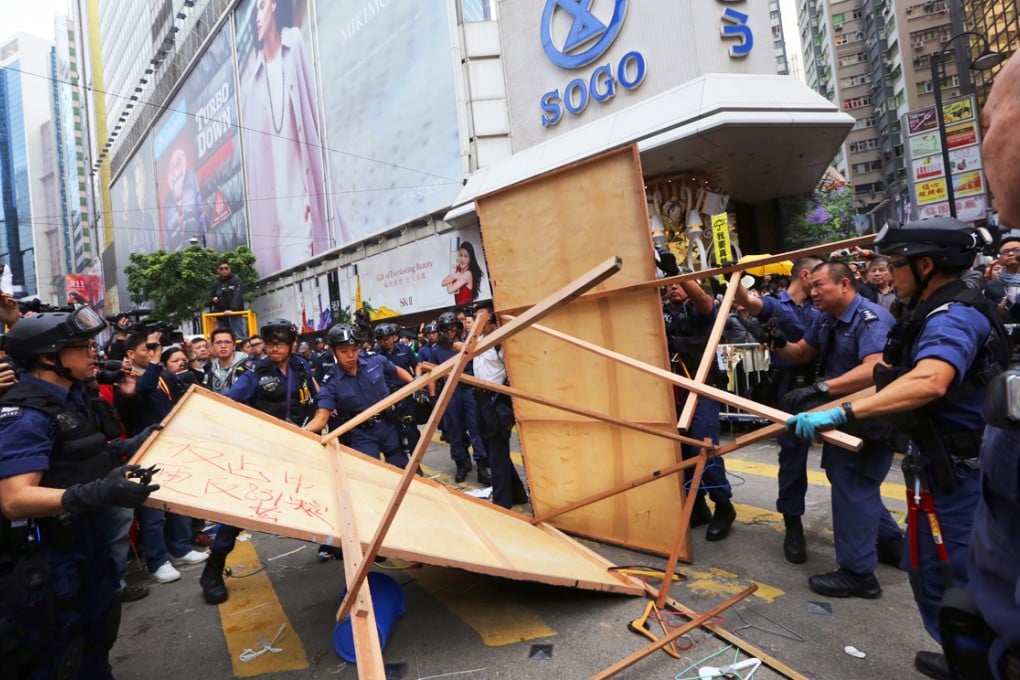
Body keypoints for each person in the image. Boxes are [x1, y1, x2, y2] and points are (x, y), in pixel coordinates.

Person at [786, 222, 1007, 678]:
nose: (887, 272)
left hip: (962, 474)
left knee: (960, 579)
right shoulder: (926, 310)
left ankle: (982, 665)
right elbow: (896, 372)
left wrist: (842, 413)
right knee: (926, 569)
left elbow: (931, 379)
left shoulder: (953, 315)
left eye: (896, 264)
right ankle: (962, 656)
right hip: (935, 465)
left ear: (926, 265)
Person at [0, 309, 159, 678]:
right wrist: (100, 491)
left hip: (87, 542)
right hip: (50, 558)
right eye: (83, 346)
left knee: (97, 635)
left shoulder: (71, 398)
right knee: (63, 653)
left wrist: (136, 444)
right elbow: (14, 500)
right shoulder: (25, 413)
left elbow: (82, 455)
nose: (94, 353)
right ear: (48, 357)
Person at [777, 262, 901, 599]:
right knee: (856, 486)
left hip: (868, 419)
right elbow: (803, 351)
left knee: (852, 487)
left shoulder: (870, 318)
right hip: (839, 417)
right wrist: (776, 341)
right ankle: (891, 544)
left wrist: (821, 388)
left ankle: (858, 573)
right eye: (810, 287)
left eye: (819, 286)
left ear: (844, 284)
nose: (812, 292)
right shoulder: (826, 318)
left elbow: (877, 367)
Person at [199, 318, 318, 604]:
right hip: (264, 453)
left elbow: (314, 397)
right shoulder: (252, 373)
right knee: (241, 510)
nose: (274, 348)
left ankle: (335, 546)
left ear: (291, 345)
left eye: (280, 344)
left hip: (300, 447)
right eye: (270, 343)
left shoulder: (301, 368)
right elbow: (229, 404)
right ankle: (212, 572)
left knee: (317, 496)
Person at [732, 256, 823, 562]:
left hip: (825, 387)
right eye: (820, 273)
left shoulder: (822, 304)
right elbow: (745, 300)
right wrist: (733, 272)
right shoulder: (776, 305)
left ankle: (880, 529)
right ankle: (793, 524)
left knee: (848, 463)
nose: (824, 279)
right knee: (793, 461)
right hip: (790, 390)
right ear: (807, 275)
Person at [242, 0, 330, 271]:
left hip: (302, 203)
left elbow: (312, 120)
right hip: (277, 220)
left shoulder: (294, 45)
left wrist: (314, 195)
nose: (256, 18)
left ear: (272, 6)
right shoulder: (252, 80)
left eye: (259, 8)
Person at [662, 280, 736, 541]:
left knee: (703, 448)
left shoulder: (698, 309)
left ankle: (724, 505)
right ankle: (697, 505)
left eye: (679, 285)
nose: (674, 288)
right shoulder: (659, 313)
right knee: (679, 452)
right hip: (671, 391)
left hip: (701, 388)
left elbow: (705, 302)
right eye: (669, 284)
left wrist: (678, 274)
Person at [304, 323, 414, 467]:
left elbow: (395, 370)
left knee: (401, 466)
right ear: (333, 350)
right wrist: (299, 433)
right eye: (344, 351)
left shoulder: (374, 361)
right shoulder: (331, 382)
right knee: (369, 471)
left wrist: (414, 384)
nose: (350, 355)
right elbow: (321, 418)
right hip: (362, 435)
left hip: (388, 425)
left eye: (354, 349)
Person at [471, 303, 528, 508]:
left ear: (492, 319)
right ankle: (518, 492)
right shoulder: (478, 341)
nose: (478, 322)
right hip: (480, 399)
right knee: (492, 450)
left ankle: (503, 501)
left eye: (482, 318)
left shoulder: (501, 341)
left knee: (496, 450)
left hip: (496, 400)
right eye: (475, 318)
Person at [430, 311, 490, 484]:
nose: (450, 331)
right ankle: (461, 463)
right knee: (455, 429)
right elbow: (433, 371)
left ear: (458, 327)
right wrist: (434, 395)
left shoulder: (468, 344)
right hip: (451, 391)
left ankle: (481, 465)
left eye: (452, 327)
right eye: (446, 329)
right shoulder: (437, 350)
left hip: (468, 390)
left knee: (475, 427)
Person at [373, 322, 420, 461]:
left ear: (394, 337)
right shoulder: (375, 356)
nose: (386, 341)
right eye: (382, 339)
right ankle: (402, 463)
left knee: (411, 430)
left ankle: (416, 463)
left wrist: (417, 379)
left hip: (406, 394)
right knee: (394, 432)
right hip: (387, 397)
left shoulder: (405, 350)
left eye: (388, 337)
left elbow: (416, 364)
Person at [161, 146, 208, 252]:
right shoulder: (168, 204)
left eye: (181, 165)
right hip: (179, 263)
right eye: (174, 168)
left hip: (196, 254)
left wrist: (206, 250)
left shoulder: (191, 181)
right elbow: (167, 242)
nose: (176, 172)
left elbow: (201, 217)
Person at [203, 328, 250, 394]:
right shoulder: (210, 372)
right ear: (213, 346)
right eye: (218, 342)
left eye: (227, 342)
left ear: (234, 346)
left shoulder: (248, 368)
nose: (223, 346)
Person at [209, 260, 247, 341]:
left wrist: (232, 309)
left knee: (238, 336)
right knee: (223, 336)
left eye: (226, 268)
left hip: (234, 313)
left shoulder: (236, 281)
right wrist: (213, 299)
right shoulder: (216, 283)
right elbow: (209, 299)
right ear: (217, 271)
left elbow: (237, 296)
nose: (224, 270)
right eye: (221, 269)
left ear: (230, 269)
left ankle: (242, 351)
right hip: (221, 314)